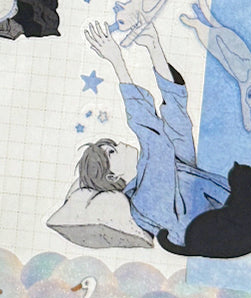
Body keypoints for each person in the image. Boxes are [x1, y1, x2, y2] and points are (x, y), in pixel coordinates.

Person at [49, 21, 238, 253]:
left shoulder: (168, 174)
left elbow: (178, 124)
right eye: (111, 152)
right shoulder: (145, 202)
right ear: (112, 175)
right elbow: (154, 138)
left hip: (238, 219)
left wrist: (154, 48)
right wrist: (117, 61)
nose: (119, 144)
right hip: (231, 234)